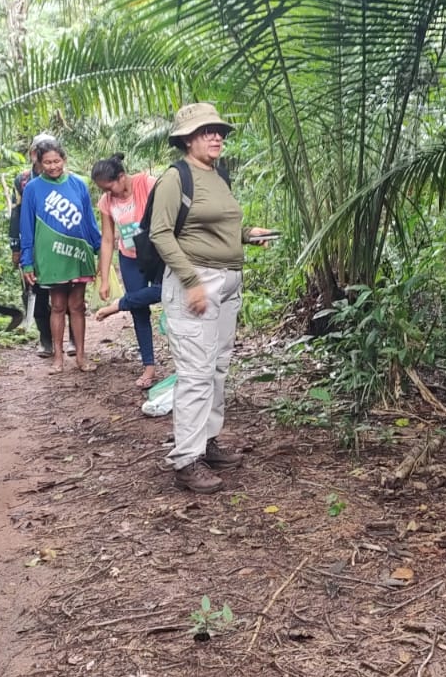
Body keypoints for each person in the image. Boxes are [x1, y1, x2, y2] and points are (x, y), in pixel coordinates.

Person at [150, 103, 276, 492]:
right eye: (207, 131)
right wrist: (190, 281)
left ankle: (206, 441)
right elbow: (161, 233)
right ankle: (186, 459)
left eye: (219, 130)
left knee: (217, 368)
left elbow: (215, 226)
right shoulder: (176, 177)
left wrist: (247, 234)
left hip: (227, 282)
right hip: (196, 282)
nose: (216, 136)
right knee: (196, 374)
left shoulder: (218, 176)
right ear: (188, 139)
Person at [18, 140, 101, 374]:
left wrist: (99, 248)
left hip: (77, 252)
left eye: (56, 161)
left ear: (64, 160)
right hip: (50, 255)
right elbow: (27, 226)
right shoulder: (33, 188)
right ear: (39, 163)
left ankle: (81, 357)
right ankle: (58, 358)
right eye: (47, 162)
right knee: (57, 305)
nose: (53, 166)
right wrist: (27, 261)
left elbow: (89, 219)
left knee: (77, 305)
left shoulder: (78, 184)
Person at [91, 153, 162, 389]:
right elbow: (108, 238)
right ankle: (149, 367)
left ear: (122, 176)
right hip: (130, 257)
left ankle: (120, 304)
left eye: (110, 186)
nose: (108, 193)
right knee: (139, 312)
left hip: (158, 254)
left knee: (168, 293)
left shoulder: (148, 184)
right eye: (104, 189)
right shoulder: (106, 201)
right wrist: (104, 278)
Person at [8, 134, 58, 357]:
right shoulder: (23, 180)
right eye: (39, 150)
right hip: (32, 246)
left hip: (58, 245)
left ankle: (73, 339)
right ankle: (46, 339)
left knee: (66, 294)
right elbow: (16, 215)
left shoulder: (64, 177)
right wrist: (16, 247)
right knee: (35, 293)